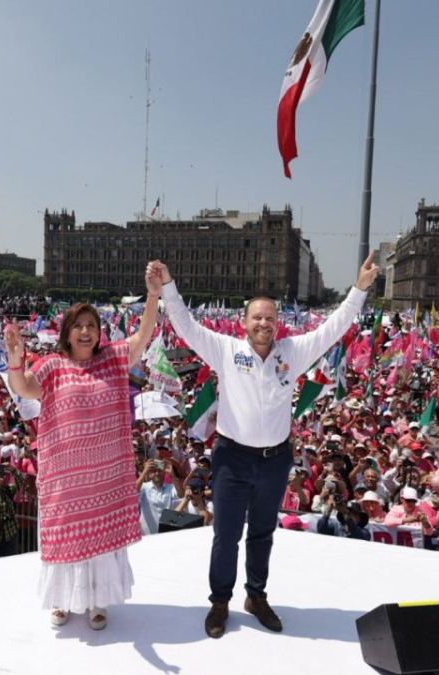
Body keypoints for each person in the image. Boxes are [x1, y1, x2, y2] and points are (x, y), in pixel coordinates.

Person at [153, 252, 379, 638]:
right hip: (231, 458)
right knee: (226, 534)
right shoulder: (225, 350)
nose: (264, 323)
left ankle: (255, 596)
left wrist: (358, 289)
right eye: (257, 317)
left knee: (262, 533)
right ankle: (220, 601)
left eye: (270, 319)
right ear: (244, 323)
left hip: (274, 461)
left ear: (278, 324)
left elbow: (332, 329)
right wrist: (169, 287)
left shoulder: (293, 352)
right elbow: (186, 326)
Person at [5, 267, 159, 630]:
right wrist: (15, 358)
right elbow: (25, 388)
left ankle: (97, 601)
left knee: (102, 541)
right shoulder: (53, 365)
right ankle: (62, 599)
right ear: (67, 332)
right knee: (64, 537)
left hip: (104, 476)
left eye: (92, 325)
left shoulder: (112, 359)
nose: (86, 331)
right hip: (65, 477)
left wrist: (152, 296)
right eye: (79, 325)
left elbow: (143, 336)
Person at [137, 458, 182, 535]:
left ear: (164, 473)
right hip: (147, 536)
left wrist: (173, 475)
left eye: (159, 470)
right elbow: (132, 491)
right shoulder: (144, 487)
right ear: (149, 474)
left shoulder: (170, 487)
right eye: (154, 471)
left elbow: (181, 494)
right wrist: (144, 472)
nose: (157, 473)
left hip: (165, 534)